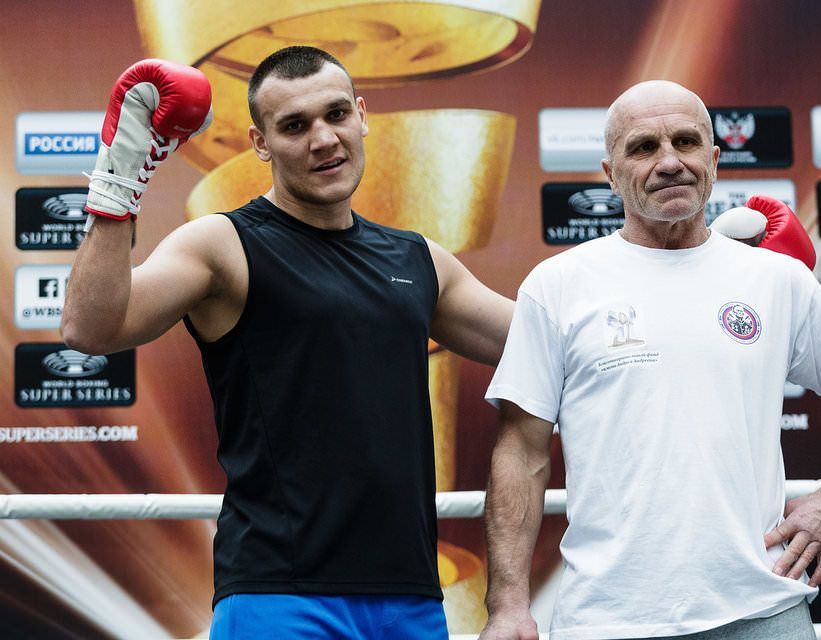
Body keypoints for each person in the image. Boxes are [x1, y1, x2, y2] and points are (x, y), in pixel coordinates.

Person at [61, 47, 514, 639]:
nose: (323, 139)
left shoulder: (418, 260)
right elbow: (91, 329)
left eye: (336, 114)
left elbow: (544, 341)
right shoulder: (222, 245)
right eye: (295, 126)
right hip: (278, 595)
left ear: (362, 115)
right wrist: (119, 175)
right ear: (260, 143)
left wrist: (633, 253)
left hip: (410, 597)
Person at [479, 80, 821, 640]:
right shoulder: (558, 285)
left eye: (686, 141)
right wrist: (507, 605)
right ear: (610, 174)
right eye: (643, 147)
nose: (670, 162)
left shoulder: (776, 279)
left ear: (714, 159)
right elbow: (521, 451)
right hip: (608, 619)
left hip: (764, 607)